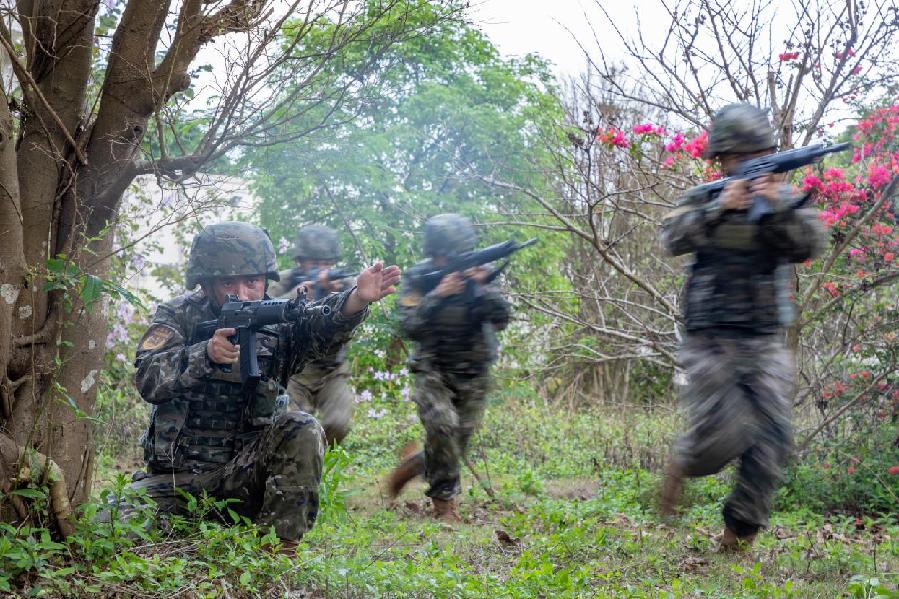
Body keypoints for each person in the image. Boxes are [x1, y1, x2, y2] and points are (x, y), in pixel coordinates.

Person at [130, 221, 400, 547]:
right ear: (205, 283)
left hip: (244, 478)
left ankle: (279, 552)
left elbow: (320, 324)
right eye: (229, 283)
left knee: (303, 426)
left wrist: (356, 299)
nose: (243, 293)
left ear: (266, 280)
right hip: (174, 482)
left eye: (253, 282)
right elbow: (147, 378)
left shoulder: (278, 320)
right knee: (109, 524)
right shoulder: (177, 315)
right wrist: (204, 354)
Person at [659, 104, 826, 550]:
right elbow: (670, 240)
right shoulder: (704, 196)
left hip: (764, 336)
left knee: (773, 437)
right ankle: (684, 463)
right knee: (724, 435)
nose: (754, 161)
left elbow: (810, 246)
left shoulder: (783, 198)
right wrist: (719, 209)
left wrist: (776, 208)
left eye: (763, 152)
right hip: (710, 338)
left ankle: (738, 536)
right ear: (724, 160)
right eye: (744, 155)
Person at [385, 214, 511, 523]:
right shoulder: (419, 279)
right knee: (441, 425)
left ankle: (415, 464)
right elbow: (408, 325)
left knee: (454, 442)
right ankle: (445, 507)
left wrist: (482, 287)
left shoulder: (480, 277)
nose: (445, 260)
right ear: (432, 253)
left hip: (474, 371)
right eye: (440, 255)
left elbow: (501, 319)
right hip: (433, 369)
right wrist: (437, 296)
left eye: (451, 255)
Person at [268, 225, 356, 445]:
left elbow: (354, 321)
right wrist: (295, 298)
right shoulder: (285, 282)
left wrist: (337, 297)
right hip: (294, 373)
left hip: (331, 371)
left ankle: (315, 457)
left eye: (327, 263)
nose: (323, 269)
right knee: (289, 427)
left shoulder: (345, 285)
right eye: (315, 264)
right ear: (300, 261)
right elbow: (265, 315)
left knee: (338, 423)